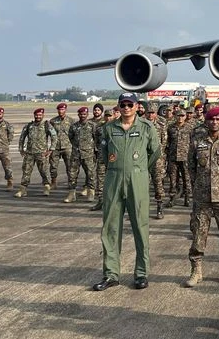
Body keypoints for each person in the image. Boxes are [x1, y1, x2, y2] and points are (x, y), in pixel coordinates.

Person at [93, 93, 161, 292]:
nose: (126, 108)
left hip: (137, 180)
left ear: (136, 106)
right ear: (118, 107)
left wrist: (138, 168)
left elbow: (154, 152)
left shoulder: (146, 127)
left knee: (140, 226)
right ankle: (111, 274)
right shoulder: (108, 128)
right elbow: (104, 155)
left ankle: (141, 273)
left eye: (129, 104)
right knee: (110, 227)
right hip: (114, 180)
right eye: (122, 104)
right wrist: (118, 168)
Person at [185, 107, 219, 288]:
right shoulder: (197, 141)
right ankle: (196, 271)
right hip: (202, 199)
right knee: (198, 237)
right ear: (206, 121)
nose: (214, 122)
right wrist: (197, 186)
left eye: (217, 119)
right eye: (211, 119)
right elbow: (191, 166)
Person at [14, 108, 56, 198]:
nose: (38, 116)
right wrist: (21, 149)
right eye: (36, 115)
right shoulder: (29, 126)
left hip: (42, 153)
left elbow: (54, 137)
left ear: (43, 115)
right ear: (34, 115)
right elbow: (22, 137)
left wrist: (51, 149)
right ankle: (23, 189)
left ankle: (47, 187)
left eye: (40, 115)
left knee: (44, 171)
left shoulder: (47, 125)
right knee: (26, 171)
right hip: (29, 153)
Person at [66, 106, 97, 203]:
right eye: (81, 114)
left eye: (84, 114)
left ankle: (91, 192)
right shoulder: (74, 126)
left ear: (87, 115)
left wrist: (92, 149)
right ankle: (72, 194)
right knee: (72, 174)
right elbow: (70, 137)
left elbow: (97, 138)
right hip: (76, 154)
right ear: (78, 115)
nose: (82, 116)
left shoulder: (92, 125)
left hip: (88, 154)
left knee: (90, 174)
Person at [167, 109, 193, 207]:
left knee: (187, 179)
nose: (180, 118)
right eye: (178, 115)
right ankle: (172, 198)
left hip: (186, 157)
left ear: (185, 117)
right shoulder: (170, 128)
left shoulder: (190, 128)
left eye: (182, 116)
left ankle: (187, 198)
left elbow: (192, 142)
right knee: (173, 180)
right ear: (175, 116)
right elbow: (168, 142)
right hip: (173, 157)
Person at [49, 103, 73, 189]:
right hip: (55, 147)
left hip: (67, 146)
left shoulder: (71, 121)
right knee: (53, 166)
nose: (60, 111)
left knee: (70, 166)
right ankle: (53, 182)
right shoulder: (52, 121)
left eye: (62, 109)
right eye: (59, 109)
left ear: (65, 110)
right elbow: (49, 134)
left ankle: (71, 183)